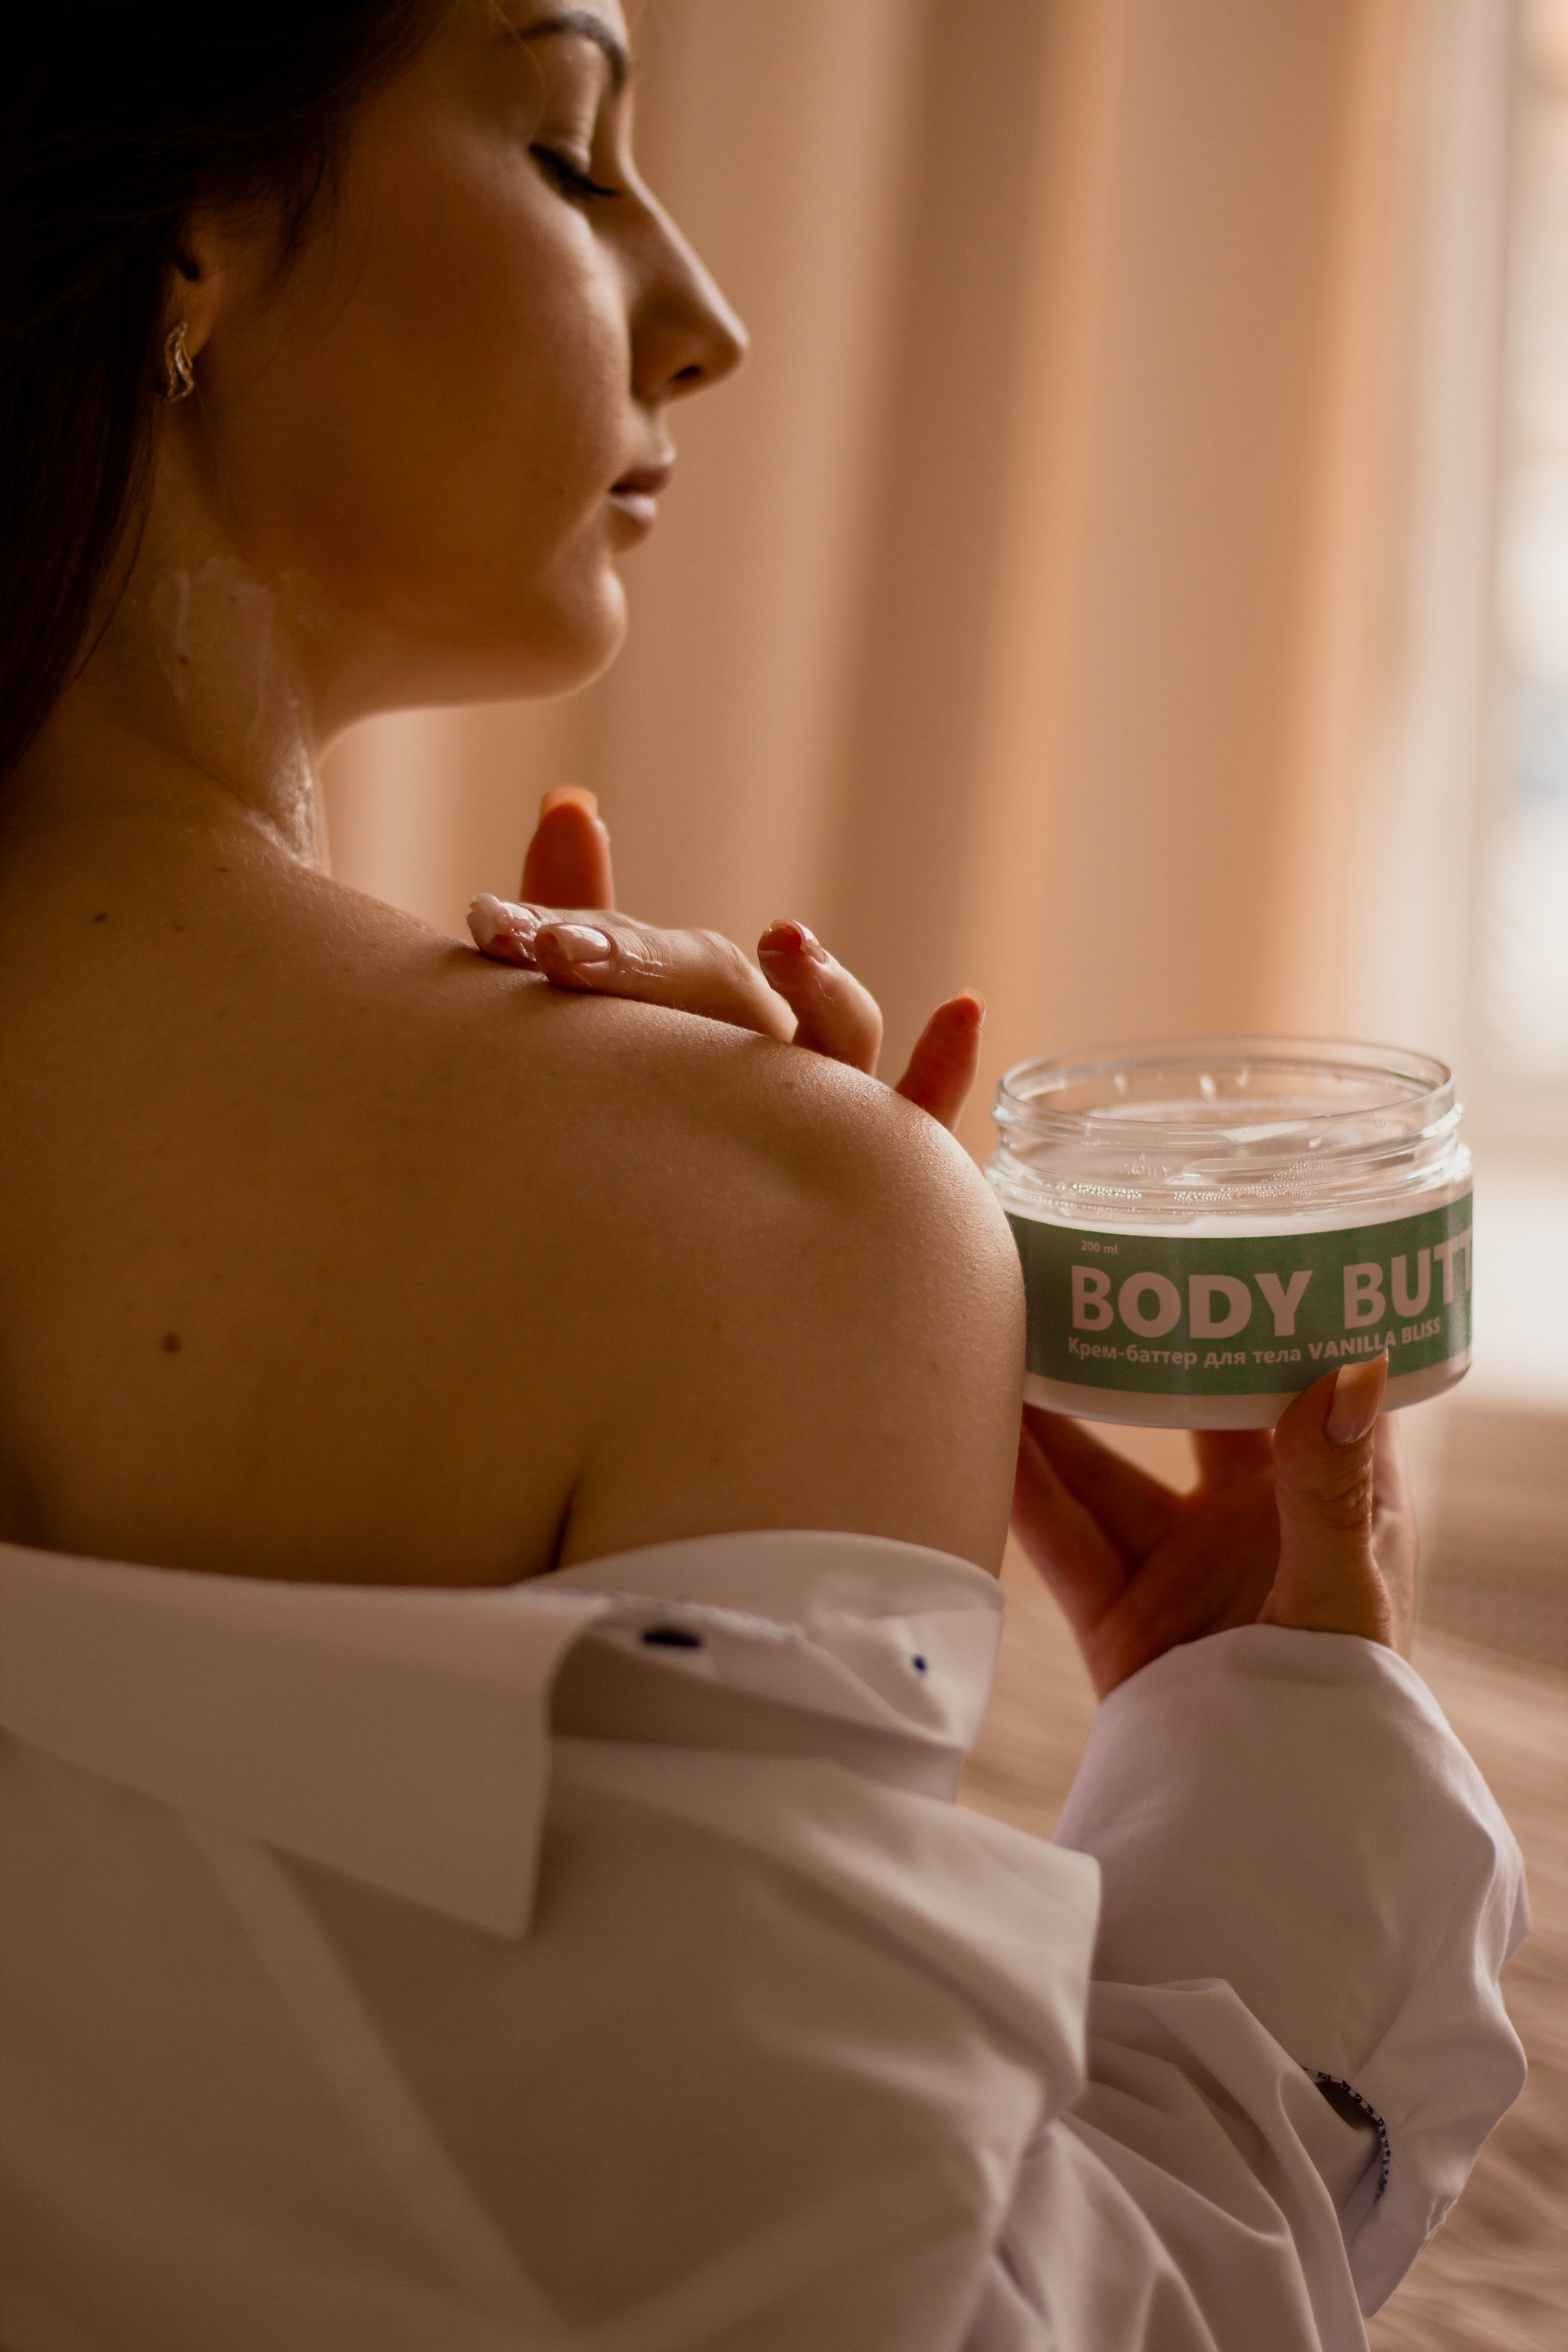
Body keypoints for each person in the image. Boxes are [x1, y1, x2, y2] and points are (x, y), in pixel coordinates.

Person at [0, 5, 1526, 2348]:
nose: (702, 319)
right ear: (188, 234)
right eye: (569, 147)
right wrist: (1283, 1802)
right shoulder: (772, 1218)